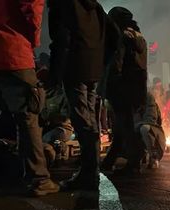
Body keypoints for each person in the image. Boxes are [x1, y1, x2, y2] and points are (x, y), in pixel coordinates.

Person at [0, 0, 59, 198]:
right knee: (27, 117)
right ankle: (38, 179)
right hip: (12, 50)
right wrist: (33, 39)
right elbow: (32, 6)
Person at [48, 0, 113, 190]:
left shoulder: (62, 4)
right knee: (90, 120)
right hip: (94, 70)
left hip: (74, 69)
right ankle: (91, 171)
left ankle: (88, 173)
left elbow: (59, 39)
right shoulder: (96, 7)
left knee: (82, 120)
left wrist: (54, 74)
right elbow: (114, 36)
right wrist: (101, 61)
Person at [101, 7, 148, 175]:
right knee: (122, 125)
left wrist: (108, 86)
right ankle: (110, 160)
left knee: (124, 125)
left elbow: (116, 65)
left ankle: (134, 162)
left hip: (121, 87)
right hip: (136, 87)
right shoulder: (138, 36)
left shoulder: (121, 35)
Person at [133, 93, 166, 169]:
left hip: (152, 127)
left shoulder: (148, 97)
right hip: (137, 125)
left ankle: (153, 156)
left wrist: (136, 125)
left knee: (144, 129)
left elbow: (150, 118)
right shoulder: (130, 99)